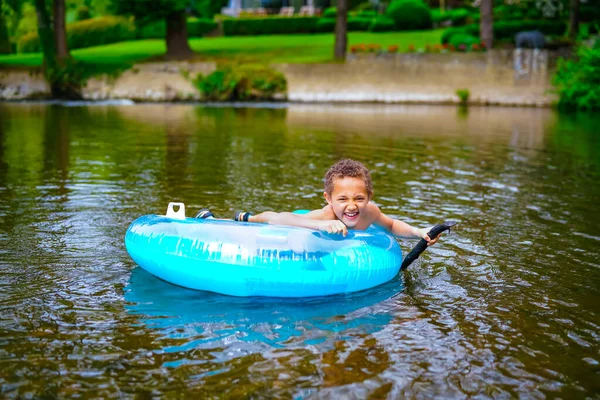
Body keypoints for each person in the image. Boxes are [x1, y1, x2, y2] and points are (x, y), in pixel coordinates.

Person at [197, 159, 441, 245]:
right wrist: (322, 226)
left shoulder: (371, 212)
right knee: (263, 219)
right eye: (342, 199)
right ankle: (243, 217)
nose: (352, 206)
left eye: (359, 198)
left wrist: (419, 231)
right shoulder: (326, 216)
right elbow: (281, 220)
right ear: (329, 199)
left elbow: (391, 226)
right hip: (295, 222)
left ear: (369, 197)